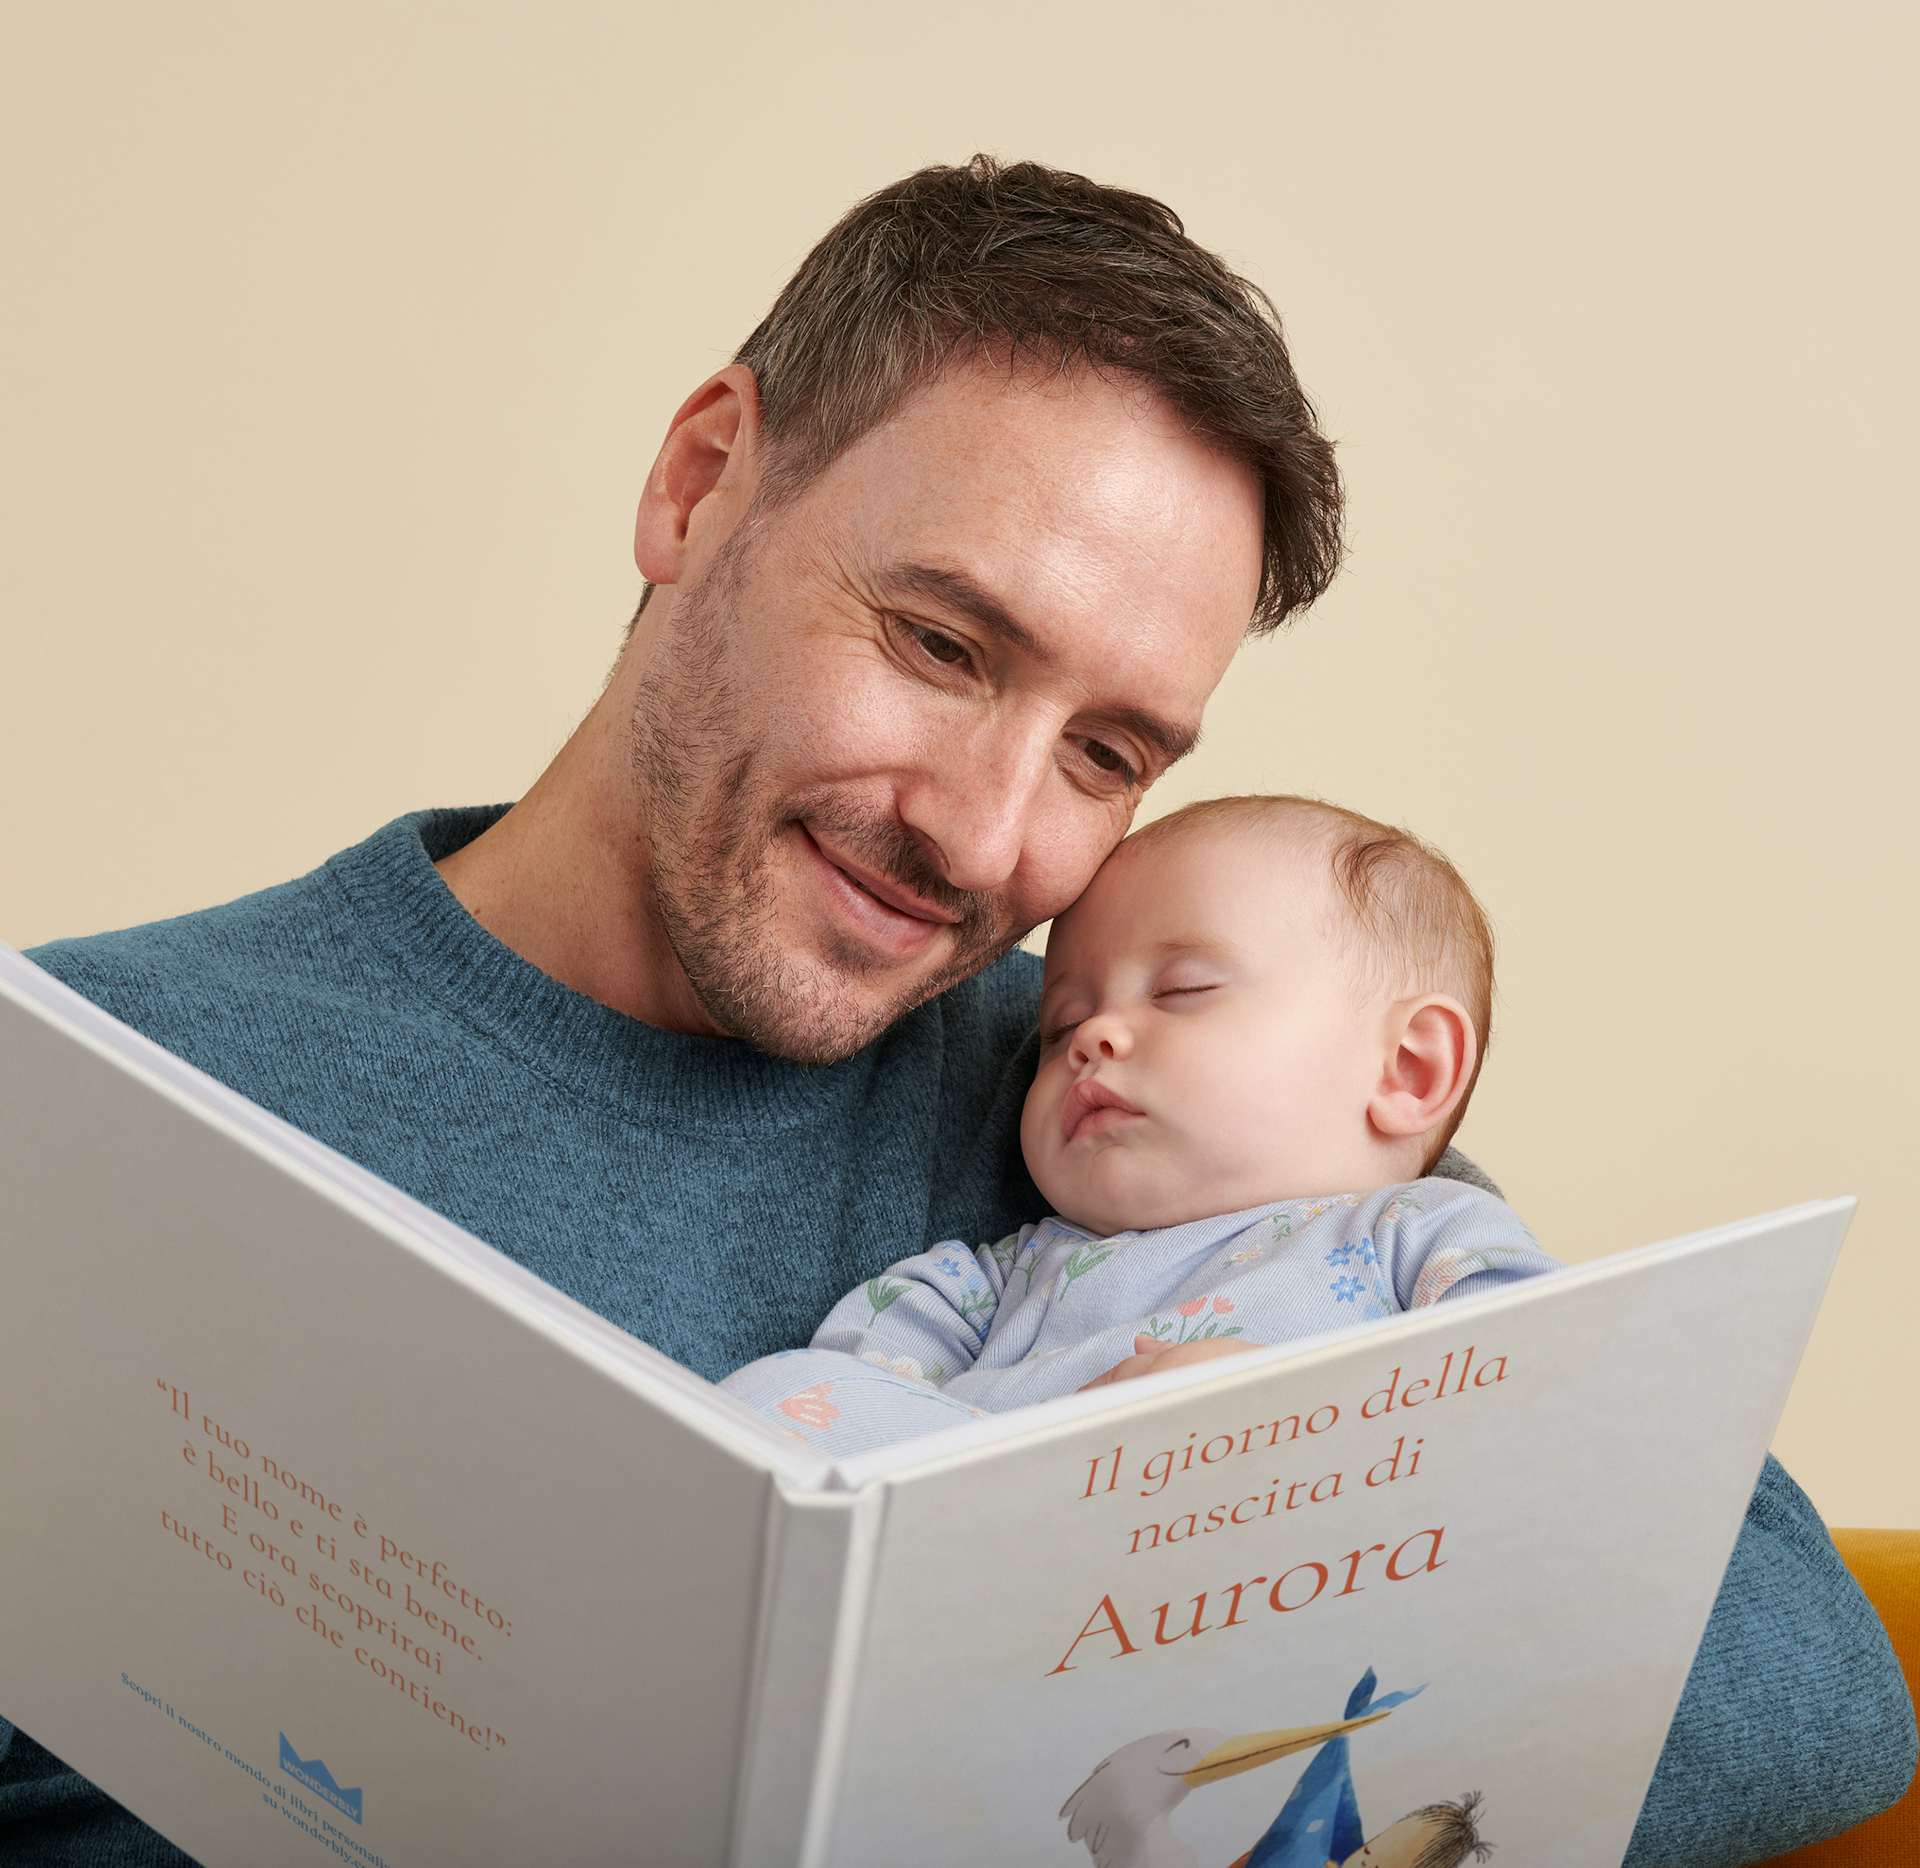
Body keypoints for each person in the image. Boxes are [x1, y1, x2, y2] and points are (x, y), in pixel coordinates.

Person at [4, 157, 1909, 1865]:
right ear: (696, 486)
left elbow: (1797, 1664)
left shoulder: (1129, 1094)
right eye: (940, 644)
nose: (989, 842)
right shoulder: (90, 1088)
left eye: (1106, 751)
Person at [719, 795, 1560, 1454]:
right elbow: (839, 1408)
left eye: (1182, 992)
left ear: (1409, 1069)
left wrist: (1306, 1420)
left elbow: (1545, 1397)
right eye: (1056, 1029)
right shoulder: (996, 1280)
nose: (1093, 1037)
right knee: (774, 1397)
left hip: (1279, 1557)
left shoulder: (1422, 1237)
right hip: (1010, 1563)